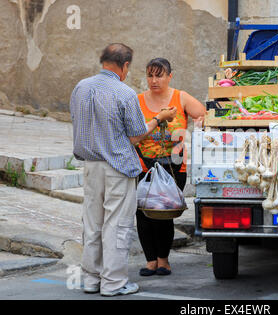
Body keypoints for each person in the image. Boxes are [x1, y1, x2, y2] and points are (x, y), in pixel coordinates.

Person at [70, 44, 177, 297]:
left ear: (103, 60)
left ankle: (90, 280)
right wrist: (159, 118)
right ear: (125, 65)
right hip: (117, 167)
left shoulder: (80, 87)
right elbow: (137, 135)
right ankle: (113, 283)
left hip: (90, 165)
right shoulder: (124, 92)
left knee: (92, 224)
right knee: (116, 226)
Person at [136, 57, 205, 276]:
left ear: (169, 76)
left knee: (163, 213)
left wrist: (197, 126)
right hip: (143, 167)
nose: (154, 80)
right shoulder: (137, 100)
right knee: (143, 214)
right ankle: (150, 261)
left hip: (173, 168)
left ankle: (163, 260)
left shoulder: (180, 97)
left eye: (159, 75)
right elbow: (134, 135)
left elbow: (203, 114)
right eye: (150, 75)